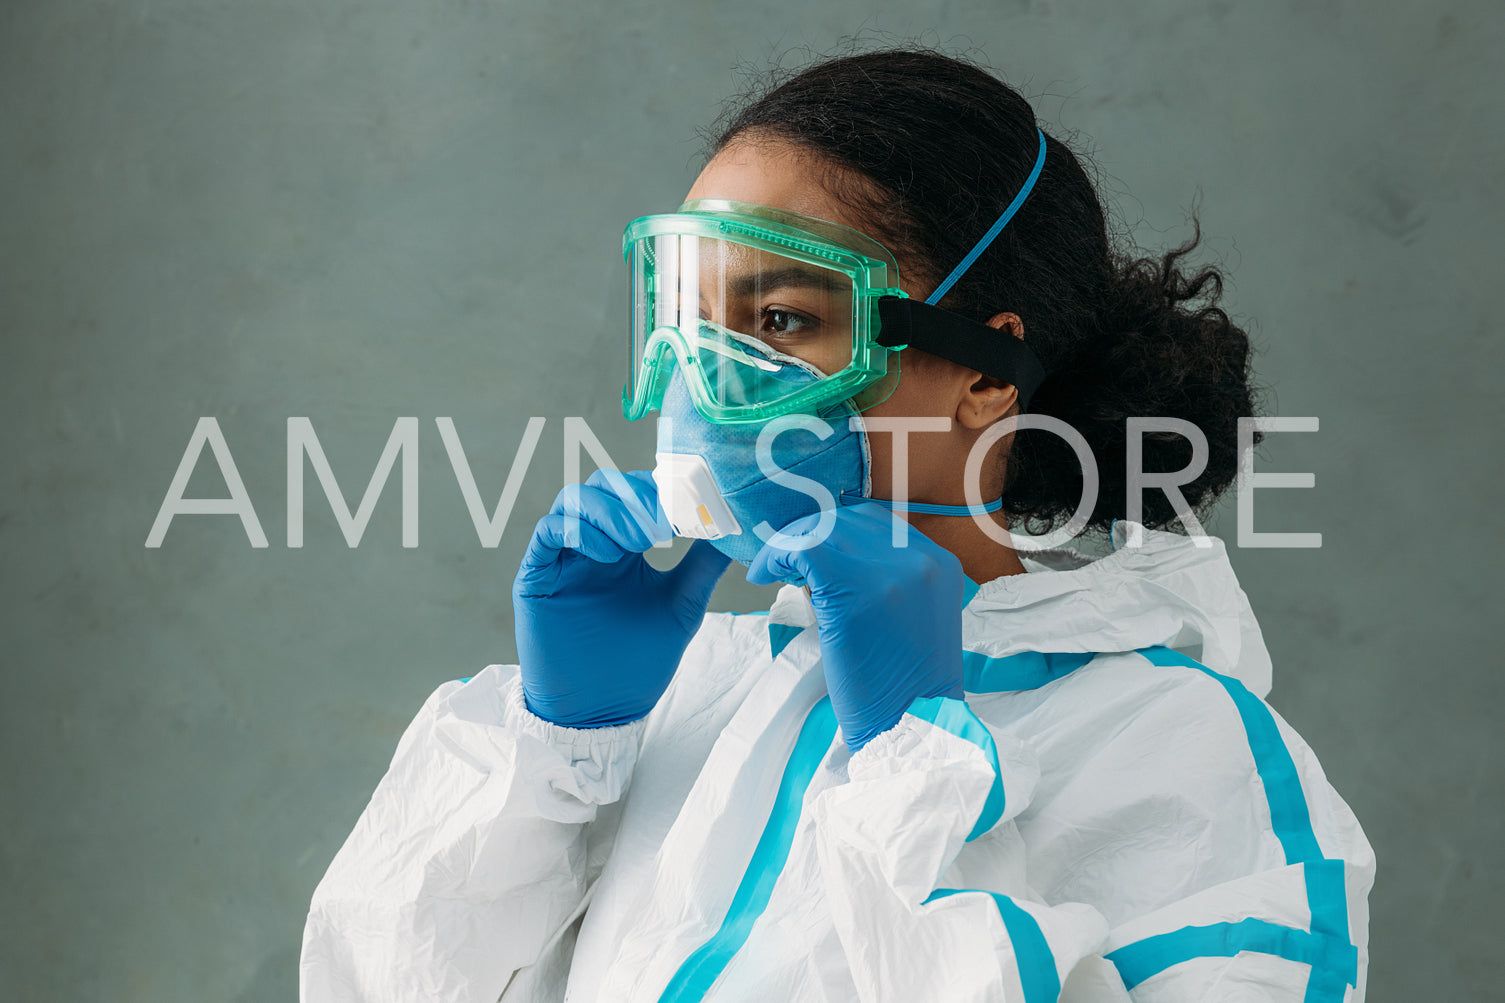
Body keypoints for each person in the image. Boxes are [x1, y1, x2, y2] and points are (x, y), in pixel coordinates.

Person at [301, 48, 1374, 1002]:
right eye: (685, 316)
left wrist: (913, 761)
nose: (706, 380)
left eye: (779, 320)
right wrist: (556, 750)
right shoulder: (692, 692)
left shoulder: (1178, 753)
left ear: (983, 375)